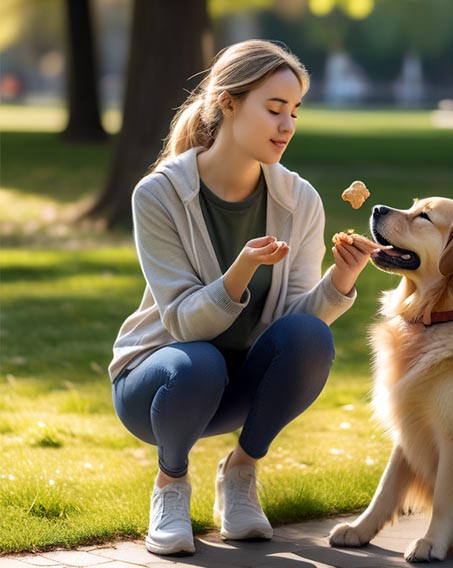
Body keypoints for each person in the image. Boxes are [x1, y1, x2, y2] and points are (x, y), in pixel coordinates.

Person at [108, 39, 378, 556]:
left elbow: (291, 322)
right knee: (199, 362)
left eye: (295, 111)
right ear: (229, 103)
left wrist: (339, 282)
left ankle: (241, 472)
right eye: (274, 109)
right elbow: (184, 323)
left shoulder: (299, 200)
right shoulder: (159, 194)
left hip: (236, 384)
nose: (288, 125)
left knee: (310, 337)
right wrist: (242, 269)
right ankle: (170, 486)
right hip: (158, 385)